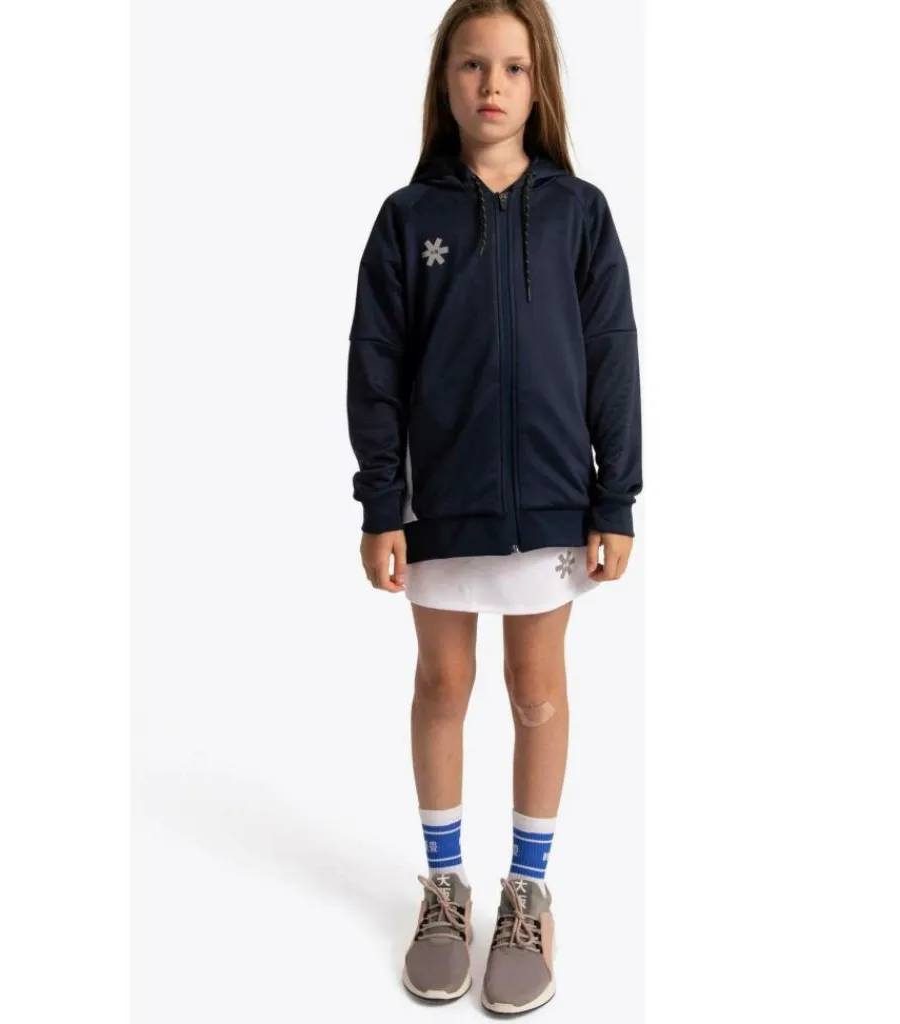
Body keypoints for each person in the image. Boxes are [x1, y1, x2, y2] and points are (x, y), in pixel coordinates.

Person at [345, 0, 642, 1014]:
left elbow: (612, 355)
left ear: (538, 81)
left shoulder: (579, 213)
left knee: (536, 690)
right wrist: (381, 502)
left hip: (555, 503)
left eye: (513, 67)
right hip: (439, 503)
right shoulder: (408, 218)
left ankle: (528, 892)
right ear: (445, 79)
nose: (492, 85)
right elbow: (375, 367)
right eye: (473, 65)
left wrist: (616, 496)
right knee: (442, 684)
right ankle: (443, 887)